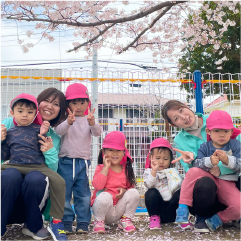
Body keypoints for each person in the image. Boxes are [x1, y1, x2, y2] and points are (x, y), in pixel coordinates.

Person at [161, 100, 241, 233]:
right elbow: (192, 172)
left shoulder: (216, 119)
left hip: (228, 179)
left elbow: (238, 153)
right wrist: (191, 160)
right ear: (173, 124)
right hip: (204, 188)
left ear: (186, 106)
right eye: (176, 118)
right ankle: (187, 210)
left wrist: (221, 167)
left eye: (181, 111)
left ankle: (220, 218)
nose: (184, 117)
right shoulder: (179, 141)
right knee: (200, 178)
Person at [1, 88, 68, 240]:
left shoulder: (51, 135)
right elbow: (2, 155)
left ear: (34, 111)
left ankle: (41, 224)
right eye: (47, 101)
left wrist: (49, 151)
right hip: (9, 184)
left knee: (37, 178)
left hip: (35, 181)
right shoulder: (7, 126)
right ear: (13, 112)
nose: (25, 114)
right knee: (10, 175)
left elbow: (52, 171)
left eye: (56, 104)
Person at [54, 83, 103, 234]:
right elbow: (58, 131)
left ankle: (83, 222)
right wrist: (69, 122)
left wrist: (93, 123)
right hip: (66, 161)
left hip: (83, 162)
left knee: (83, 194)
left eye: (82, 102)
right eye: (74, 102)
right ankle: (67, 221)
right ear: (67, 104)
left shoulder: (89, 119)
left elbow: (97, 132)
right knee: (65, 193)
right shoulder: (66, 119)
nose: (79, 106)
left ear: (88, 103)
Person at [91, 131, 140, 233]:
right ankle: (99, 222)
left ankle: (125, 220)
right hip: (103, 211)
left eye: (118, 150)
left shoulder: (125, 170)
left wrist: (124, 190)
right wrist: (106, 168)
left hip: (118, 211)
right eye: (110, 150)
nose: (114, 153)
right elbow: (98, 186)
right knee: (105, 196)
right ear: (103, 152)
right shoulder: (100, 168)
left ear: (124, 153)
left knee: (134, 192)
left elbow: (131, 190)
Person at [144, 138, 193, 230]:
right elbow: (149, 184)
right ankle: (154, 219)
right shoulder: (149, 172)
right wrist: (154, 171)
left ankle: (182, 219)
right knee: (151, 192)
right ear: (151, 157)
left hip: (173, 210)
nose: (161, 162)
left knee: (181, 192)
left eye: (165, 159)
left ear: (170, 159)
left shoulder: (172, 171)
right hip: (159, 210)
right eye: (158, 158)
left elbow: (179, 185)